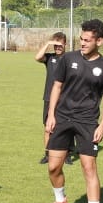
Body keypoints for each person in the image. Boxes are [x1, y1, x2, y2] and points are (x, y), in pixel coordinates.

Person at [42, 19, 103, 203]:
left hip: (87, 122)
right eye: (81, 39)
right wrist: (51, 115)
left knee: (88, 167)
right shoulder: (68, 59)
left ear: (99, 41)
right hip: (63, 118)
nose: (82, 43)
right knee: (54, 166)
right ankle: (60, 200)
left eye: (87, 40)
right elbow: (57, 86)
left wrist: (101, 126)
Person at [33, 31, 67, 164]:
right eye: (56, 46)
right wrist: (48, 43)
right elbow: (37, 57)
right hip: (48, 97)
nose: (58, 48)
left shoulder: (69, 58)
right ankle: (47, 154)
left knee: (64, 127)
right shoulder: (49, 58)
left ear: (65, 44)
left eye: (60, 45)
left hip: (65, 98)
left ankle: (67, 154)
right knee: (48, 127)